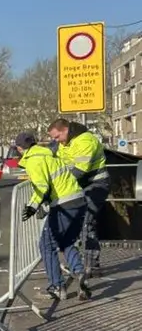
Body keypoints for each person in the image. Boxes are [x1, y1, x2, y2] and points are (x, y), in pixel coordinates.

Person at [15, 132, 91, 301]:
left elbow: (41, 186)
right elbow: (55, 182)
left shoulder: (34, 160)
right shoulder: (50, 154)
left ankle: (57, 287)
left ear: (20, 149)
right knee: (67, 241)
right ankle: (79, 273)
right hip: (78, 199)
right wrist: (45, 203)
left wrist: (32, 206)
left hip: (64, 204)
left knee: (46, 245)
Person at [47, 118, 109, 278]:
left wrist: (57, 184)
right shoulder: (64, 143)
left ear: (65, 130)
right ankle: (91, 263)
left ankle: (89, 266)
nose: (55, 141)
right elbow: (59, 162)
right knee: (85, 222)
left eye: (56, 137)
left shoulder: (85, 141)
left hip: (96, 184)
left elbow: (79, 171)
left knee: (86, 220)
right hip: (79, 185)